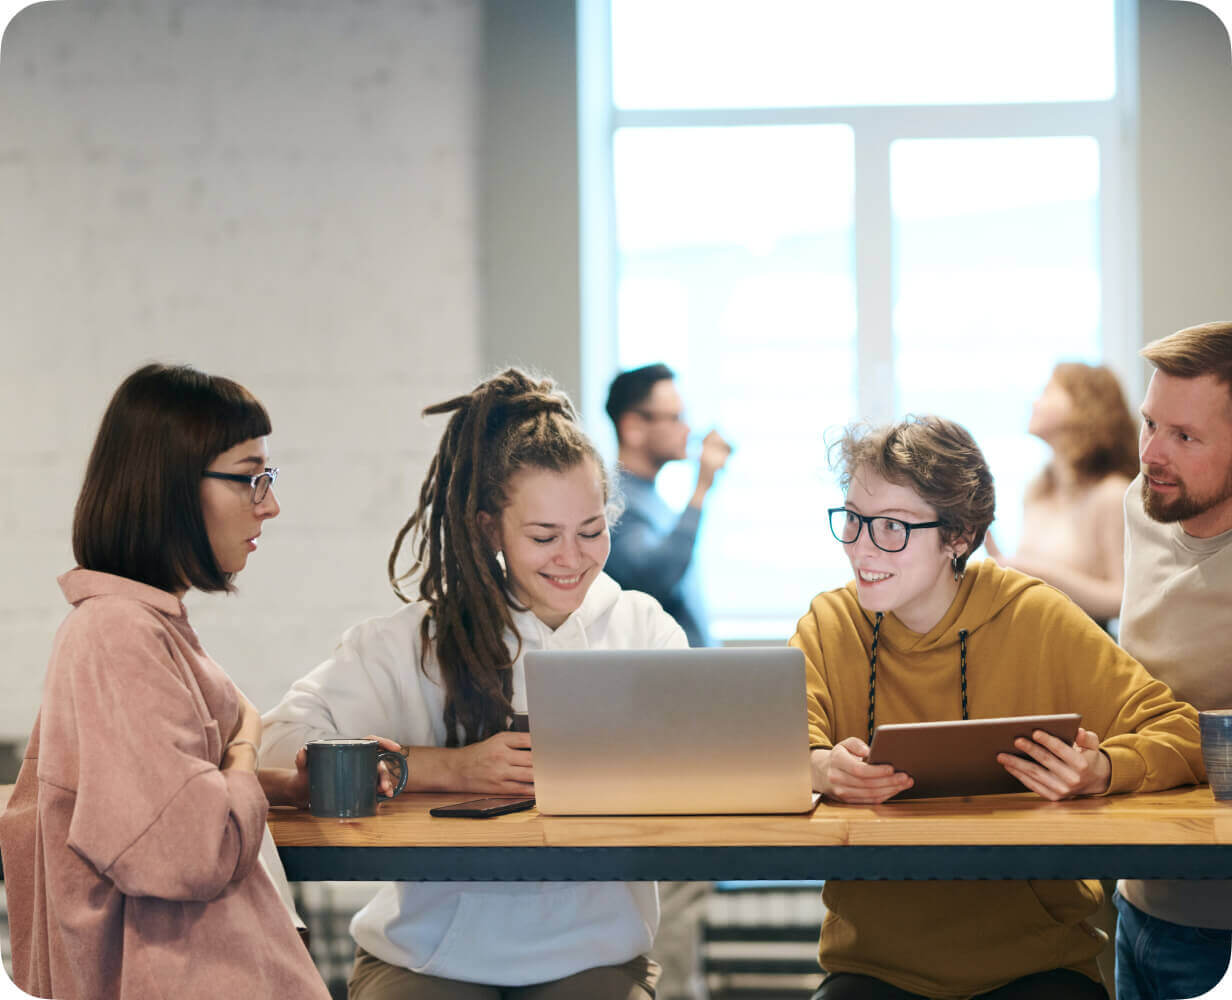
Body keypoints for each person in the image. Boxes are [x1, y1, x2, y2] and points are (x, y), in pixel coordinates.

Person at [262, 369, 686, 1000]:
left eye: (591, 532)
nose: (571, 558)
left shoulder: (642, 628)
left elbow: (702, 764)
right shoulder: (418, 641)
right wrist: (450, 769)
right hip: (428, 955)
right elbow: (279, 743)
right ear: (491, 530)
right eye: (543, 537)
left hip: (592, 954)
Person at [791, 415, 1203, 1000]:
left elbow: (1181, 731)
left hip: (1038, 965)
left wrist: (1105, 769)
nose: (861, 547)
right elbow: (766, 749)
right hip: (874, 968)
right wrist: (815, 765)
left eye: (891, 527)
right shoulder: (828, 624)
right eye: (853, 520)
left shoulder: (1035, 616)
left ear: (958, 537)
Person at [0, 364, 329, 1000]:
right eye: (250, 478)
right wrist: (245, 742)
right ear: (173, 486)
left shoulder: (139, 624)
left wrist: (276, 785)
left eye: (271, 477)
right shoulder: (118, 634)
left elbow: (148, 799)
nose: (270, 503)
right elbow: (184, 849)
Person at [1114, 321, 1232, 1000]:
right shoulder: (1144, 504)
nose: (1152, 453)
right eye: (1149, 423)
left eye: (1185, 437)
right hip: (1139, 897)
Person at [985, 362, 1139, 626]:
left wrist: (1039, 574)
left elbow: (1125, 598)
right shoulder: (1038, 490)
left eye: (1048, 391)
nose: (1035, 403)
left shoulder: (1112, 495)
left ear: (1086, 406)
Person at [604, 363, 730, 648]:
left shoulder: (649, 497)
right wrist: (701, 489)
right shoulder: (614, 501)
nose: (687, 429)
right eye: (675, 418)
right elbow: (654, 577)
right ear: (633, 428)